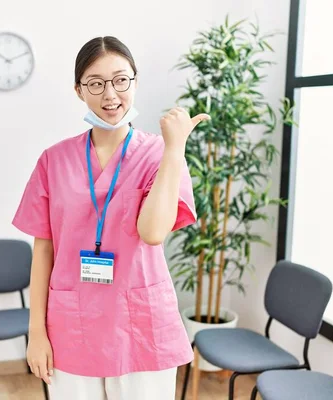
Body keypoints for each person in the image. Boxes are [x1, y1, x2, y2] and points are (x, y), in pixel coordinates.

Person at [12, 36, 209, 400]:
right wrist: (36, 333)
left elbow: (152, 232)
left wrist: (175, 148)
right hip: (73, 324)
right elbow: (43, 252)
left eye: (121, 80)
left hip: (141, 324)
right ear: (78, 90)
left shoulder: (161, 156)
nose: (110, 94)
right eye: (96, 83)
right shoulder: (53, 161)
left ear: (134, 81)